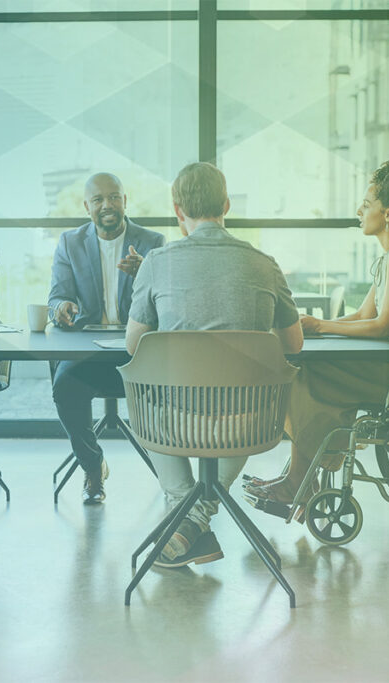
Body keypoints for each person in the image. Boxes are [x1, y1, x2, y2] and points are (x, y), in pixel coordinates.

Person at [125, 162, 304, 567]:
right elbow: (293, 344)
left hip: (175, 422)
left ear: (177, 211)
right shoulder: (265, 264)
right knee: (245, 394)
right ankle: (194, 522)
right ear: (226, 205)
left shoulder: (156, 262)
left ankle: (185, 515)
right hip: (249, 422)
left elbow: (134, 345)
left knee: (145, 388)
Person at [244, 156, 389, 506]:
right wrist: (314, 327)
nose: (359, 210)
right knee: (306, 370)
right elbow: (362, 315)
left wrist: (322, 325)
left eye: (367, 204)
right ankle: (300, 476)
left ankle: (299, 480)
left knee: (305, 375)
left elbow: (386, 326)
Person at [48, 172, 165, 504]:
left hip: (137, 351)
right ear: (87, 207)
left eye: (114, 197)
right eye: (98, 199)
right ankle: (93, 465)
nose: (107, 205)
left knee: (169, 387)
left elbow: (169, 303)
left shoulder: (152, 242)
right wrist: (62, 308)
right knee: (64, 386)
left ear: (125, 201)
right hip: (88, 350)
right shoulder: (70, 243)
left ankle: (171, 473)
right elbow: (55, 297)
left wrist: (147, 273)